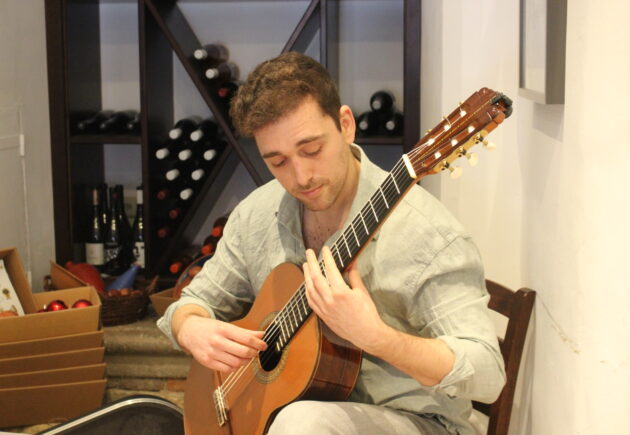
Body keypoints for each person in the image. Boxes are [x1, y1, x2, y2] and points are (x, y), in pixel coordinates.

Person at [158, 51, 505, 434]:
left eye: (312, 150)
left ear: (346, 125)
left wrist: (378, 338)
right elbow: (194, 303)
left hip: (419, 422)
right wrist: (190, 328)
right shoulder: (256, 214)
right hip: (291, 415)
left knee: (302, 424)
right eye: (278, 162)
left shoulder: (428, 234)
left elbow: (488, 374)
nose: (301, 176)